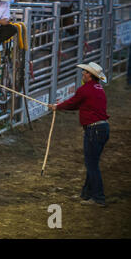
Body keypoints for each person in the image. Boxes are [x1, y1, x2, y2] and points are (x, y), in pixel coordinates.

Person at [48, 62, 110, 207]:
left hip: (93, 130)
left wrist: (57, 107)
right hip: (102, 128)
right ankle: (87, 194)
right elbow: (77, 104)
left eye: (85, 72)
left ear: (90, 75)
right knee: (92, 163)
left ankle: (98, 197)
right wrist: (60, 107)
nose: (82, 73)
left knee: (91, 165)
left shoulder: (85, 89)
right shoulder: (99, 89)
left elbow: (72, 103)